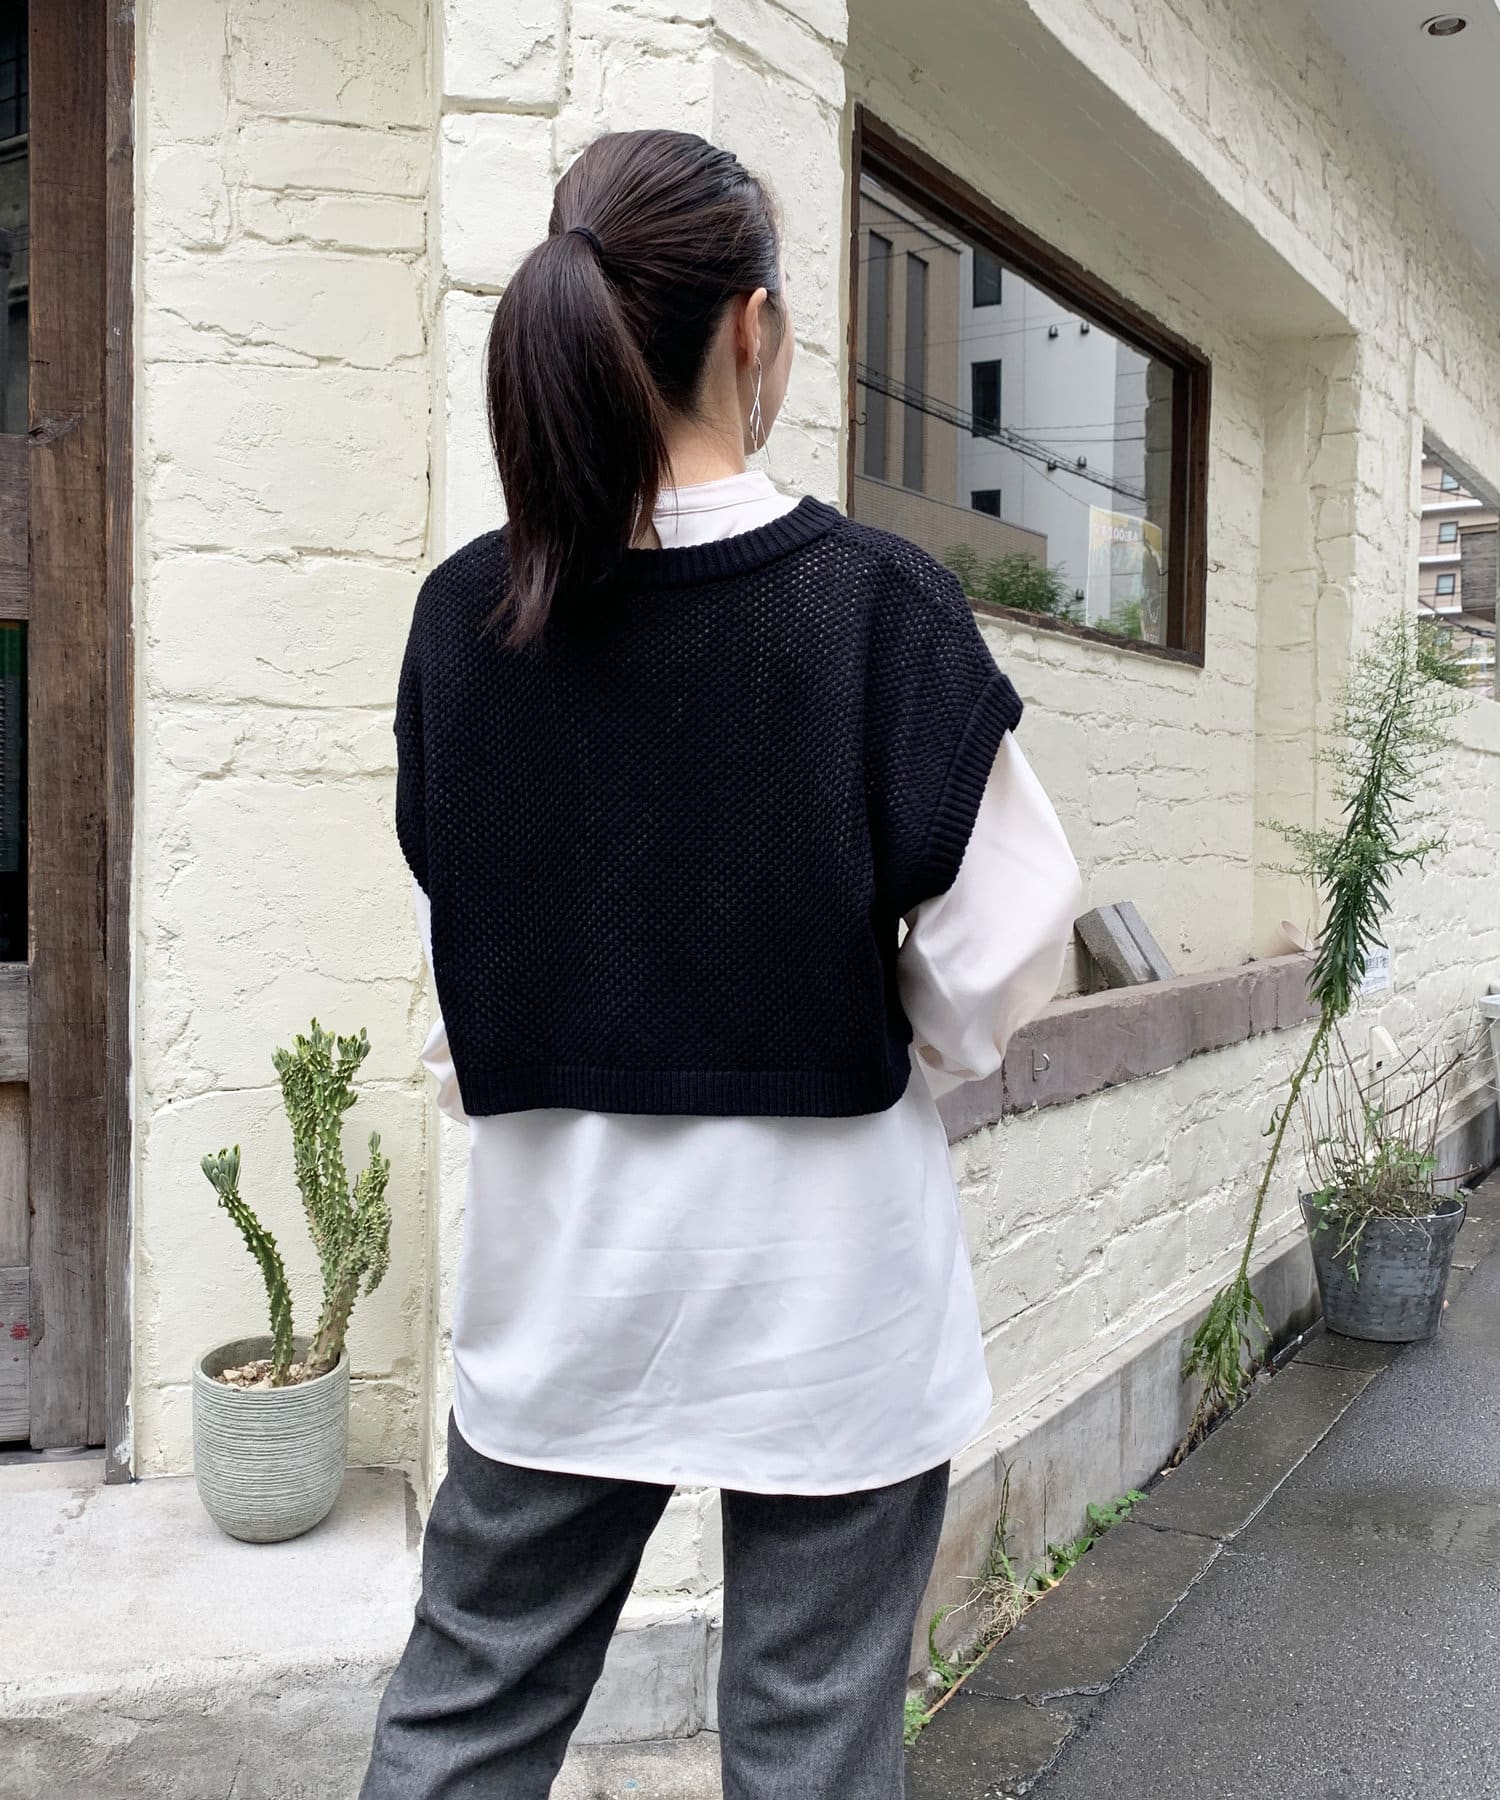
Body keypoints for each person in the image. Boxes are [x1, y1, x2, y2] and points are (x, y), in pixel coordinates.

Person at [361, 128, 1082, 1800]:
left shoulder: (468, 619)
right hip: (830, 1296)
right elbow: (1011, 924)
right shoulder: (874, 606)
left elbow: (457, 918)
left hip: (563, 1282)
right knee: (811, 1751)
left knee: (464, 1721)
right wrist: (884, 1026)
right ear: (753, 331)